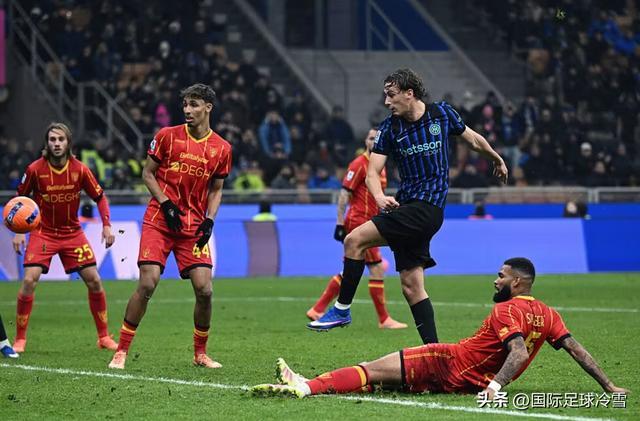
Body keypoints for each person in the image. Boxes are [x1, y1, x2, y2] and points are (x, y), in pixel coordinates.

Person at [308, 69, 508, 345]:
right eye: (385, 96)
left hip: (427, 208)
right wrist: (379, 197)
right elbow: (372, 172)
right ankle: (435, 352)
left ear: (409, 93)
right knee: (412, 287)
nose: (387, 102)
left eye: (391, 95)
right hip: (405, 206)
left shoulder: (441, 114)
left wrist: (496, 158)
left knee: (354, 241)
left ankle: (341, 309)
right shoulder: (389, 128)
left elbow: (473, 139)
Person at [255, 258, 629, 399]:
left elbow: (517, 351)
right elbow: (577, 350)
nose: (495, 280)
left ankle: (305, 386)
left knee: (372, 368)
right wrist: (609, 386)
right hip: (469, 381)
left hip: (449, 361)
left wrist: (495, 388)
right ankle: (313, 384)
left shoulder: (506, 311)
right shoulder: (548, 315)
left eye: (500, 276)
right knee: (389, 381)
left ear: (516, 282)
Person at [109, 83, 232, 370]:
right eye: (185, 104)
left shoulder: (222, 148)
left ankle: (200, 354)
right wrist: (165, 203)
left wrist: (210, 220)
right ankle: (121, 351)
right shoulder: (167, 136)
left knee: (205, 290)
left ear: (208, 108)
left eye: (194, 104)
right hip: (160, 221)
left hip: (193, 226)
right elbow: (147, 174)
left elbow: (216, 189)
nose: (187, 110)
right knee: (148, 282)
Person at [12, 122, 117, 353]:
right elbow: (20, 199)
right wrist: (19, 231)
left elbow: (100, 197)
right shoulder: (34, 169)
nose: (57, 144)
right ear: (47, 143)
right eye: (52, 140)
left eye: (61, 139)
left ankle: (103, 337)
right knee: (29, 281)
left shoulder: (80, 169)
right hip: (43, 233)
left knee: (95, 280)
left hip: (72, 234)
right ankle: (20, 339)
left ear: (68, 143)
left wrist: (107, 226)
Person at [306, 128, 406, 330]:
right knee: (376, 267)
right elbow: (344, 194)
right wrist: (339, 222)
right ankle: (384, 319)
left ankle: (318, 308)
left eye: (376, 138)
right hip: (359, 221)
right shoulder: (359, 164)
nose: (373, 141)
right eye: (370, 138)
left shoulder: (380, 166)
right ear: (365, 141)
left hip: (370, 221)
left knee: (350, 268)